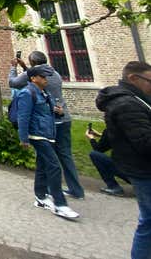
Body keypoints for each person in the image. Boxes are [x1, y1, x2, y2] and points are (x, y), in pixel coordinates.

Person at [95, 61, 151, 258]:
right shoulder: (127, 104)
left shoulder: (135, 100)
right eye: (150, 81)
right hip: (143, 169)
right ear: (133, 78)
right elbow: (144, 142)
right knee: (148, 221)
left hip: (137, 166)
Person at [10, 51, 84, 198]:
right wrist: (25, 67)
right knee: (65, 155)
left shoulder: (35, 74)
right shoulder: (54, 73)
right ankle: (76, 190)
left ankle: (49, 191)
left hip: (47, 122)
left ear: (32, 64)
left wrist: (13, 68)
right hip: (64, 118)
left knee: (46, 158)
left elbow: (13, 83)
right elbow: (33, 77)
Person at [17, 66, 79, 220]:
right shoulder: (27, 93)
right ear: (33, 78)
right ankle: (60, 204)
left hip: (48, 133)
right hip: (37, 135)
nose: (46, 80)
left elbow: (48, 112)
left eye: (46, 77)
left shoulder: (45, 93)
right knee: (54, 166)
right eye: (43, 77)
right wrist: (23, 138)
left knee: (43, 165)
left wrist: (59, 112)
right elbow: (23, 117)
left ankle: (40, 196)